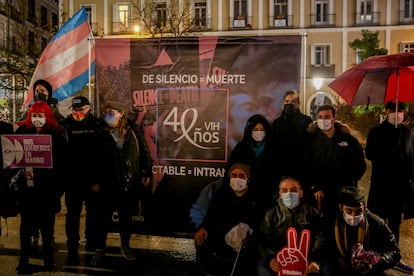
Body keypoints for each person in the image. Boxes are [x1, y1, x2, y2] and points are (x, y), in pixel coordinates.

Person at [13, 101, 66, 273]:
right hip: (27, 191)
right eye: (34, 115)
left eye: (40, 116)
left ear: (47, 117)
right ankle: (24, 259)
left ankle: (48, 258)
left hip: (47, 191)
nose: (37, 119)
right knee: (26, 227)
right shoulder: (22, 133)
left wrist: (57, 188)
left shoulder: (56, 136)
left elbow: (63, 165)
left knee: (47, 227)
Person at [62, 96, 114, 267]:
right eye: (75, 110)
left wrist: (98, 180)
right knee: (72, 216)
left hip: (93, 181)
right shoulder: (66, 125)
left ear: (89, 108)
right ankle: (72, 249)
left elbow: (106, 156)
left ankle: (93, 246)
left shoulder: (98, 125)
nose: (77, 113)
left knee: (94, 215)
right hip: (72, 181)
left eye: (81, 110)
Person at [365, 100, 414, 273]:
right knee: (376, 223)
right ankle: (375, 256)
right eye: (392, 110)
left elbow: (411, 160)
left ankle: (395, 257)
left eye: (400, 111)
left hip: (399, 190)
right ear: (386, 112)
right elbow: (369, 154)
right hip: (380, 187)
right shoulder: (376, 132)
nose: (396, 113)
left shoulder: (408, 134)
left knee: (394, 225)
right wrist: (387, 141)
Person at [102, 100, 153, 261]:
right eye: (106, 111)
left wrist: (146, 172)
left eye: (112, 111)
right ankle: (99, 248)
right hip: (107, 182)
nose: (108, 114)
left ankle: (125, 245)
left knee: (125, 218)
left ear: (121, 113)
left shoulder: (132, 131)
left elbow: (144, 153)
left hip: (128, 183)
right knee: (102, 218)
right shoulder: (101, 131)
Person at [300, 104, 366, 225]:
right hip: (319, 196)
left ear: (333, 119)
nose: (323, 120)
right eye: (320, 117)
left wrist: (350, 184)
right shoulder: (310, 142)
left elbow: (360, 165)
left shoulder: (348, 140)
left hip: (344, 194)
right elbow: (304, 168)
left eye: (326, 116)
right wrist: (314, 187)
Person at [194, 162, 261, 276]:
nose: (237, 179)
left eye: (241, 176)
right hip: (222, 235)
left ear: (247, 179)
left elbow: (258, 223)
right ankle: (210, 272)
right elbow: (210, 216)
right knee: (201, 241)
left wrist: (248, 235)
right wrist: (203, 228)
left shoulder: (256, 198)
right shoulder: (221, 194)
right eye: (234, 175)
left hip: (245, 240)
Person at [320, 186, 401, 276]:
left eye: (359, 211)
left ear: (365, 208)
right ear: (341, 207)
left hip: (367, 269)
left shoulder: (375, 223)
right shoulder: (332, 221)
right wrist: (337, 258)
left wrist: (374, 262)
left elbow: (394, 252)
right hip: (341, 265)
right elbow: (325, 245)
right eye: (349, 211)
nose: (354, 215)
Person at [256, 176, 324, 276]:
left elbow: (320, 237)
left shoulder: (312, 212)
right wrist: (270, 259)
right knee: (262, 268)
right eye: (284, 190)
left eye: (293, 190)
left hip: (307, 259)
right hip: (280, 260)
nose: (289, 194)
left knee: (326, 268)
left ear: (301, 193)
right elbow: (263, 240)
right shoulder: (271, 215)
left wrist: (315, 260)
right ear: (279, 194)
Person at [228, 114, 275, 214]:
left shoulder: (273, 148)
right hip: (245, 194)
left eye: (261, 130)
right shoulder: (241, 148)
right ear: (249, 130)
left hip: (267, 194)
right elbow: (231, 170)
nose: (258, 132)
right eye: (255, 129)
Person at [270, 90, 313, 182]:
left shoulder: (306, 121)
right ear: (283, 103)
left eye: (293, 102)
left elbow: (309, 145)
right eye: (287, 101)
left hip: (300, 168)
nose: (289, 104)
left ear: (298, 104)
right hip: (281, 168)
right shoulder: (276, 123)